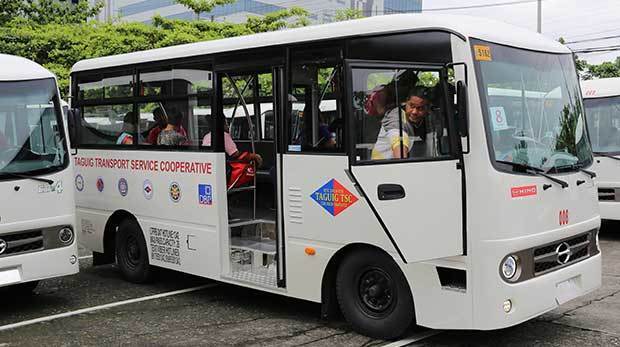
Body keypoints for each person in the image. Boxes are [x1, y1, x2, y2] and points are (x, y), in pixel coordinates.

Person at [371, 88, 432, 160]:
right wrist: (402, 164)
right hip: (380, 166)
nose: (414, 112)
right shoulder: (396, 117)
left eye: (420, 108)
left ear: (428, 109)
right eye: (411, 106)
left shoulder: (429, 120)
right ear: (406, 102)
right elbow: (398, 139)